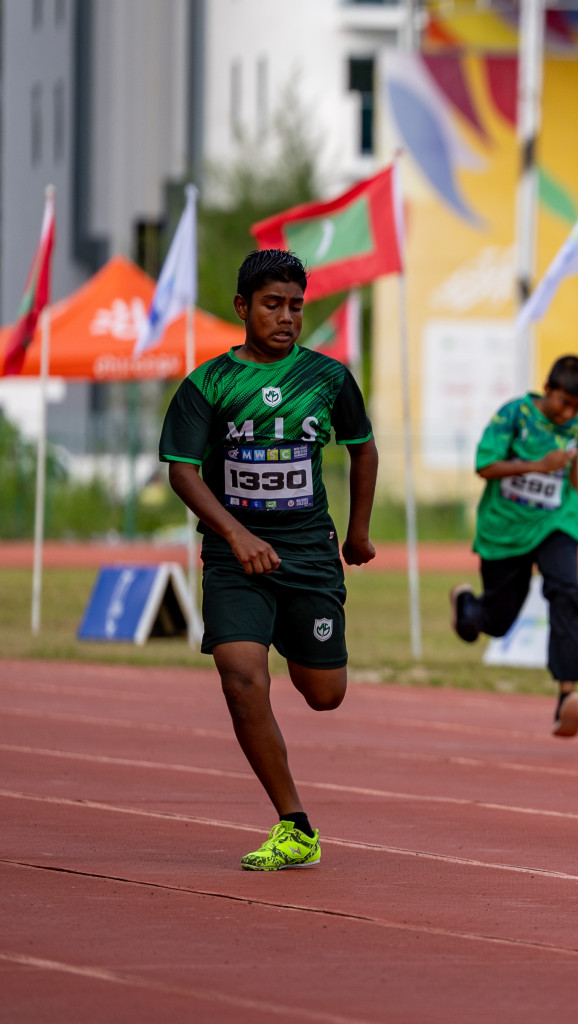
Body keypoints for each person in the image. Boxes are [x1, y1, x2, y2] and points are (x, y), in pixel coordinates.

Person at [159, 249, 379, 870]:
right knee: (239, 673)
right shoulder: (209, 383)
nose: (286, 318)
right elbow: (182, 472)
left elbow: (364, 451)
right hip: (236, 555)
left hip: (309, 552)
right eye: (272, 305)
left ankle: (289, 627)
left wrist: (357, 533)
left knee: (324, 694)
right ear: (243, 308)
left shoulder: (329, 378)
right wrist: (234, 535)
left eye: (296, 307)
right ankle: (295, 824)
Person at [451, 355, 578, 737]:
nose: (569, 414)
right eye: (564, 403)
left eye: (577, 407)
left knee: (566, 592)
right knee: (496, 623)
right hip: (505, 529)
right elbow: (485, 466)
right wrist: (537, 466)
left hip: (555, 520)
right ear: (547, 390)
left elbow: (570, 462)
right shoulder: (513, 416)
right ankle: (466, 605)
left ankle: (568, 695)